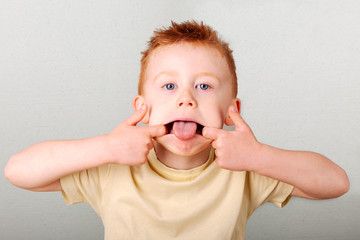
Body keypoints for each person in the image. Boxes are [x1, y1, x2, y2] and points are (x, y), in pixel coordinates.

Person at [5, 20, 349, 240]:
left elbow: (336, 183)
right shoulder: (111, 168)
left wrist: (260, 156)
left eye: (204, 86)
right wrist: (107, 147)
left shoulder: (246, 169)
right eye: (169, 87)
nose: (186, 100)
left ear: (231, 111)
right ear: (142, 108)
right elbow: (17, 171)